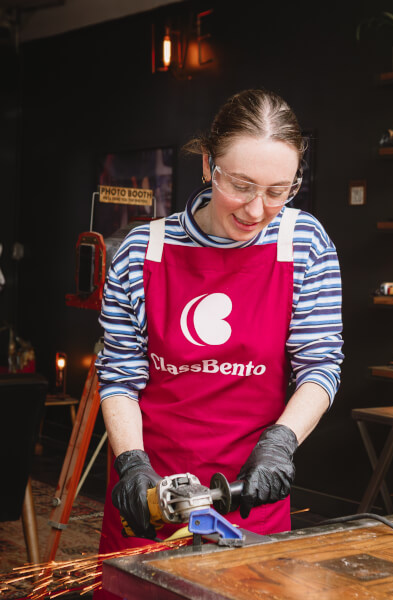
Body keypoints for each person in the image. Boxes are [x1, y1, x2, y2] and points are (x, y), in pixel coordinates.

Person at [94, 89, 343, 597]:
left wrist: (280, 444)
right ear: (209, 164)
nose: (257, 209)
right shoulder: (141, 252)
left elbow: (321, 366)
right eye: (242, 185)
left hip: (251, 496)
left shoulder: (306, 244)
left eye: (279, 190)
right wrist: (132, 466)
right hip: (154, 493)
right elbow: (119, 377)